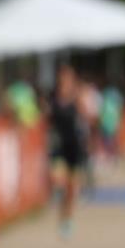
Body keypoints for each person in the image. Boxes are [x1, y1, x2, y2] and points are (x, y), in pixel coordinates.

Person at [44, 64, 88, 239]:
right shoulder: (52, 99)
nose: (65, 82)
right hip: (59, 146)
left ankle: (67, 220)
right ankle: (57, 196)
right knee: (58, 180)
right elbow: (46, 120)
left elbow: (85, 118)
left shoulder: (77, 98)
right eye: (62, 79)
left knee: (71, 190)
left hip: (74, 147)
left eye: (68, 79)